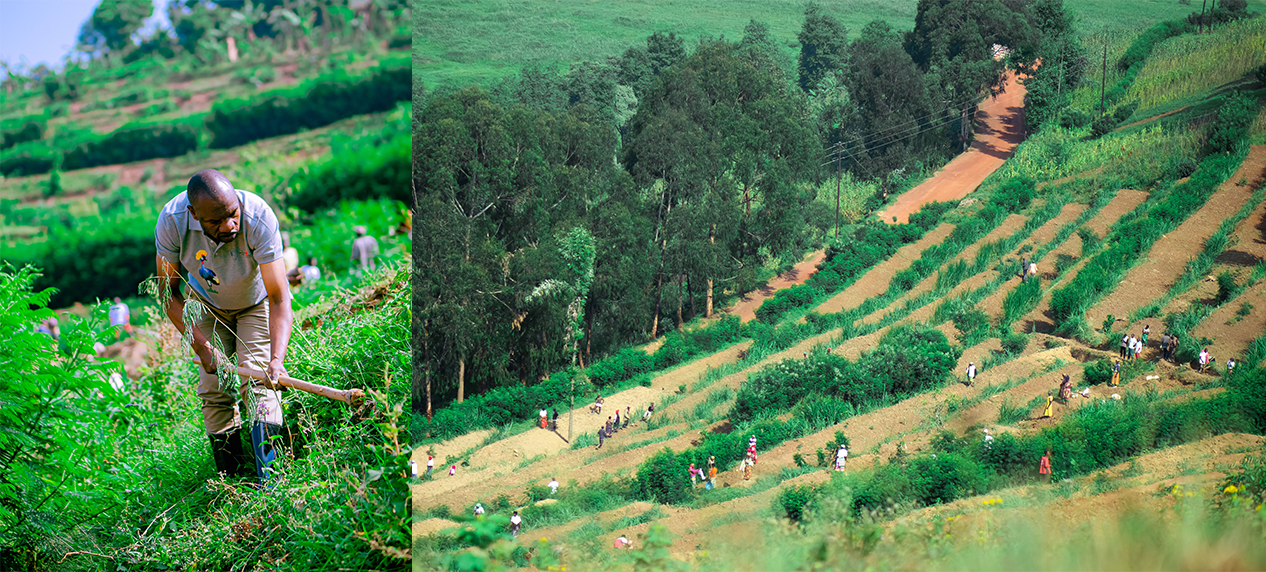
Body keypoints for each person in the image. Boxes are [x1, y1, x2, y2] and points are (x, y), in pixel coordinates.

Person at [155, 169, 290, 485]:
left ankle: (272, 481)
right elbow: (167, 292)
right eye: (216, 221)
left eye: (232, 214)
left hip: (255, 304)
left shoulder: (258, 217)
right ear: (194, 215)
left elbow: (279, 297)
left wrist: (276, 361)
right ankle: (231, 481)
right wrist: (202, 346)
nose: (229, 225)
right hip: (205, 306)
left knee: (259, 385)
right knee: (214, 392)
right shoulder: (173, 222)